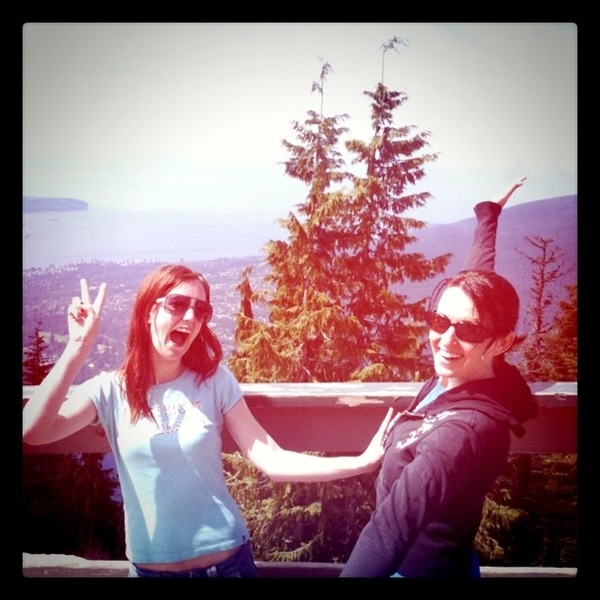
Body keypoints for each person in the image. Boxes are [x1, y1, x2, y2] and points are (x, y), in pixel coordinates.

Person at [23, 263, 394, 578]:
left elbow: (272, 459)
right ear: (149, 310)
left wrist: (361, 462)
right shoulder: (110, 390)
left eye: (201, 310)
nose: (190, 316)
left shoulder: (214, 381)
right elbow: (34, 432)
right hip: (151, 570)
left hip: (228, 563)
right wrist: (75, 350)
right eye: (178, 304)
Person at [340, 176, 539, 578]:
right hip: (451, 563)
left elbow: (391, 527)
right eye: (439, 320)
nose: (446, 339)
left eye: (468, 330)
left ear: (501, 342)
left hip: (415, 571)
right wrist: (488, 215)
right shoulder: (475, 369)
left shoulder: (464, 430)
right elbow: (476, 284)